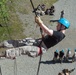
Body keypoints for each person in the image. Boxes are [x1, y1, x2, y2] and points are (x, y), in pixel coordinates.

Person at [0, 16, 70, 59]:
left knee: (23, 49)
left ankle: (3, 54)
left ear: (63, 26)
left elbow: (47, 31)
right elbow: (48, 35)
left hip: (39, 48)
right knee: (21, 42)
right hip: (39, 43)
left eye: (58, 24)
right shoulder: (59, 34)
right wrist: (42, 30)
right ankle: (3, 44)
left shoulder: (60, 35)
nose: (56, 26)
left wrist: (40, 23)